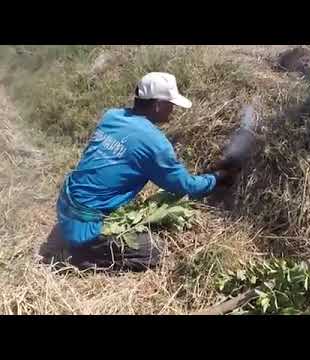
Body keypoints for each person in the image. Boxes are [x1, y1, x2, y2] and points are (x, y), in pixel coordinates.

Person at [40, 72, 237, 272]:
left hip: (66, 203)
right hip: (85, 226)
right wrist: (217, 177)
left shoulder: (112, 116)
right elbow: (186, 186)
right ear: (158, 105)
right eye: (171, 105)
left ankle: (77, 242)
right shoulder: (155, 144)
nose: (173, 111)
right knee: (152, 251)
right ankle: (80, 257)